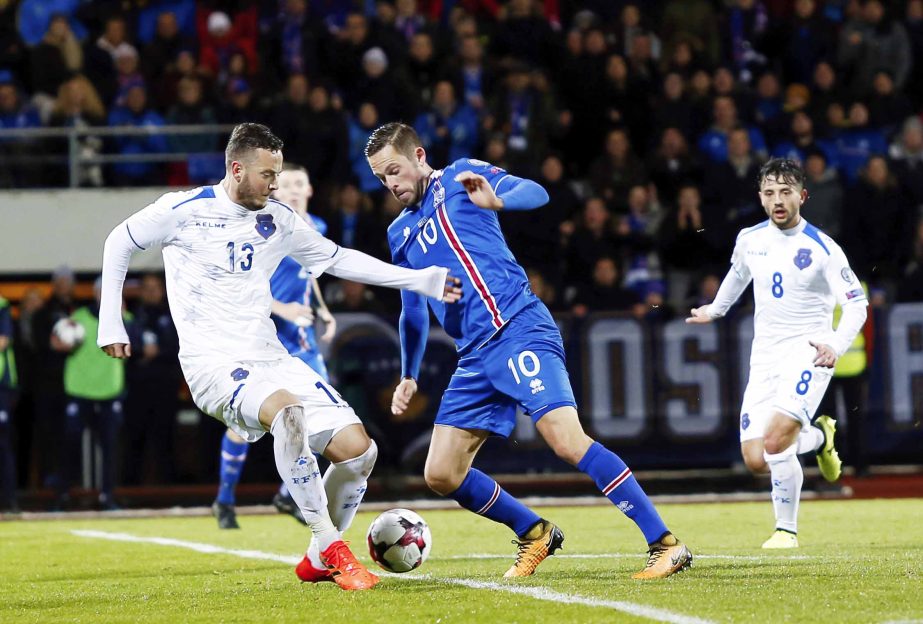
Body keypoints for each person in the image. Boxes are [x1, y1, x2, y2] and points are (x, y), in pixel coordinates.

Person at [98, 123, 461, 591]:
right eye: (268, 175)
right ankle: (332, 547)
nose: (275, 184)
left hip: (270, 355)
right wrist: (111, 320)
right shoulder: (183, 210)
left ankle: (314, 559)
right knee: (286, 411)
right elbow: (118, 242)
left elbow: (338, 258)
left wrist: (420, 280)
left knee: (359, 451)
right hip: (212, 364)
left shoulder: (278, 219)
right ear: (236, 168)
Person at [365, 122, 692, 580]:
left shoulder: (462, 177)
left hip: (517, 327)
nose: (392, 185)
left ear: (419, 156)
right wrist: (409, 373)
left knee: (566, 440)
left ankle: (665, 544)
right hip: (474, 354)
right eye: (382, 179)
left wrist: (498, 200)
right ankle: (534, 532)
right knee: (440, 473)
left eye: (395, 171)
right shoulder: (400, 233)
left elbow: (536, 192)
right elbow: (412, 310)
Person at [687, 158, 868, 548]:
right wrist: (715, 310)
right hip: (765, 357)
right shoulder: (750, 239)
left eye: (785, 192)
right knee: (755, 458)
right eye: (770, 193)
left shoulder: (824, 248)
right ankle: (819, 436)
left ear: (802, 196)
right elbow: (738, 275)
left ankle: (786, 529)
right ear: (760, 197)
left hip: (809, 353)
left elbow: (857, 304)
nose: (777, 200)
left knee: (774, 443)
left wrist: (835, 344)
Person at [212, 163, 339, 529]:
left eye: (302, 182)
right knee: (245, 423)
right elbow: (240, 284)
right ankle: (224, 499)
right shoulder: (261, 228)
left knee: (327, 416)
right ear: (276, 191)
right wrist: (282, 308)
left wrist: (323, 310)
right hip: (262, 336)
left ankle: (289, 496)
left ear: (311, 189)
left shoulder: (317, 228)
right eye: (289, 184)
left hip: (301, 341)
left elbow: (307, 274)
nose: (296, 189)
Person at [61, 278, 129, 510]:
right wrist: (60, 342)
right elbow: (57, 342)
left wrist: (124, 318)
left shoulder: (123, 318)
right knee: (70, 444)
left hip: (109, 392)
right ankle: (64, 495)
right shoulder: (78, 318)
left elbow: (136, 343)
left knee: (110, 448)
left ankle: (107, 496)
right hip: (80, 392)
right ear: (96, 293)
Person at [0, 294, 17, 511]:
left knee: (3, 444)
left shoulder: (2, 304)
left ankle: (10, 499)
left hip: (1, 387)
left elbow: (3, 340)